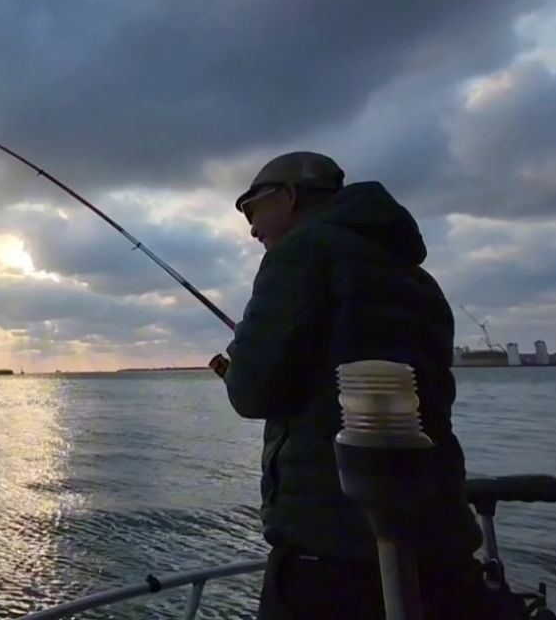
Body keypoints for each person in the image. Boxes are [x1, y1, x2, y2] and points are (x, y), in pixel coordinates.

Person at [209, 151, 491, 619]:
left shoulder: (300, 252)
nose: (250, 226)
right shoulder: (417, 280)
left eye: (249, 206)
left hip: (334, 548)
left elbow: (253, 392)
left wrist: (240, 356)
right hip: (440, 544)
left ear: (288, 196)